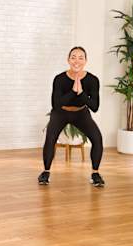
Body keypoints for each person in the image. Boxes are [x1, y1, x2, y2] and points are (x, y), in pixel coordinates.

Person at [38, 46, 105, 187]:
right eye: (73, 57)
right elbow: (56, 104)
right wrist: (73, 92)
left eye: (81, 58)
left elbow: (95, 107)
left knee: (97, 138)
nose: (77, 61)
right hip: (61, 112)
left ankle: (95, 173)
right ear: (68, 60)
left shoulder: (93, 80)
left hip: (81, 113)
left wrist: (81, 93)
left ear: (85, 61)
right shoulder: (59, 79)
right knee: (50, 138)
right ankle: (46, 172)